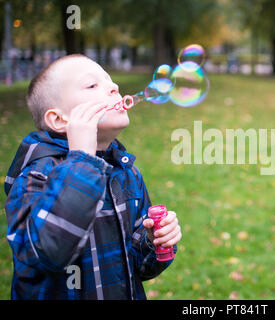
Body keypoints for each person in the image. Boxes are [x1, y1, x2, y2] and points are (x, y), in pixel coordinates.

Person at [4, 54, 182, 299]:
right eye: (92, 85)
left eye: (110, 82)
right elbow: (48, 253)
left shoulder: (126, 172)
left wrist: (154, 240)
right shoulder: (36, 175)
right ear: (59, 119)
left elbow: (139, 268)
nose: (115, 88)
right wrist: (83, 160)